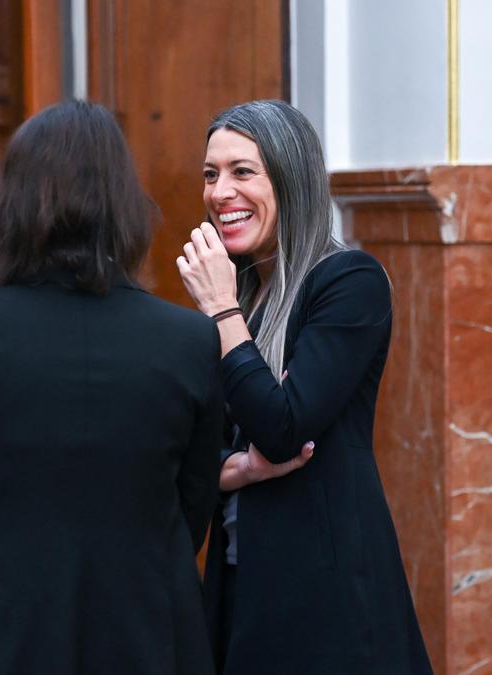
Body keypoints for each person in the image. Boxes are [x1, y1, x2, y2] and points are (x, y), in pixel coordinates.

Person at [0, 100, 222, 675]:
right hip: (147, 626)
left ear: (19, 201)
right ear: (124, 204)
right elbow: (191, 505)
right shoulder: (189, 340)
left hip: (1, 624)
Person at [176, 99, 432, 673]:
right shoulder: (240, 301)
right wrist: (233, 467)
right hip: (239, 583)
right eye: (211, 174)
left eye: (243, 172)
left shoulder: (347, 280)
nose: (220, 192)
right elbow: (190, 445)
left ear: (290, 179)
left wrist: (219, 310)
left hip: (323, 590)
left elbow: (283, 426)